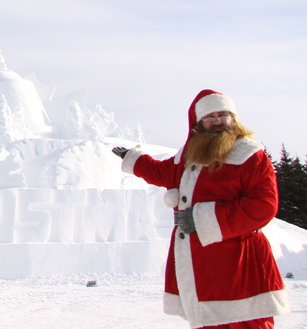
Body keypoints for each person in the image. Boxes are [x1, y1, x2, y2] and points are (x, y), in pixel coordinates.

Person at [113, 89, 289, 329]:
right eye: (210, 116)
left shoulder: (250, 155)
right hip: (200, 266)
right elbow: (163, 172)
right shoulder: (191, 157)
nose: (217, 120)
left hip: (240, 265)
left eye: (223, 114)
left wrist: (203, 219)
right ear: (198, 124)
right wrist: (133, 159)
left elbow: (263, 205)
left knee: (247, 323)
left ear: (233, 119)